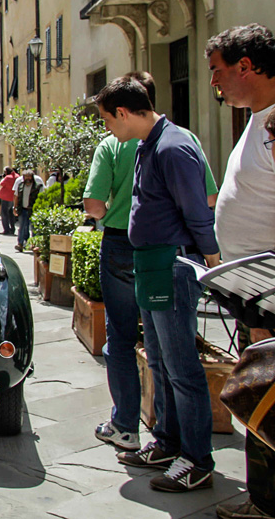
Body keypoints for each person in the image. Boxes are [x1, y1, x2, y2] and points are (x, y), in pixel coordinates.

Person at [84, 71, 218, 457]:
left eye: (107, 119)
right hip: (149, 262)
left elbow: (197, 211)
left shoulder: (172, 146)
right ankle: (167, 442)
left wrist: (210, 257)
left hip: (169, 264)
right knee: (160, 359)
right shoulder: (149, 144)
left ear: (123, 112)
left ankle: (195, 459)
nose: (106, 127)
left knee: (179, 367)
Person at [207, 24, 275, 519]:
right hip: (254, 290)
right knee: (261, 397)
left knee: (267, 399)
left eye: (218, 71)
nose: (214, 83)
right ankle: (263, 500)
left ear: (246, 67)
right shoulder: (258, 119)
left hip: (270, 290)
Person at [13, 169, 43, 252]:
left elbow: (41, 197)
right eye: (26, 176)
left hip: (33, 210)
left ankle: (34, 244)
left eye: (29, 176)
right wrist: (14, 207)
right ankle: (20, 244)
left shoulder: (37, 186)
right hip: (22, 209)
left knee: (34, 228)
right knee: (22, 227)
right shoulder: (20, 185)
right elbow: (16, 196)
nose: (28, 178)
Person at [0, 167, 18, 236]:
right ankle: (12, 229)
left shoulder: (7, 178)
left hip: (6, 198)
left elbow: (0, 184)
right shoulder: (17, 176)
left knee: (4, 214)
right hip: (13, 198)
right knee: (11, 214)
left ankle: (6, 229)